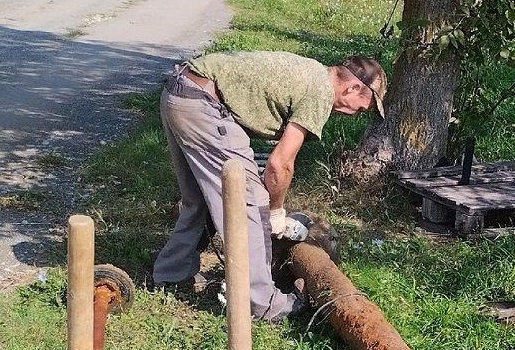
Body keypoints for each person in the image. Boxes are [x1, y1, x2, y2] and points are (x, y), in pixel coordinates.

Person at [152, 51, 387, 321]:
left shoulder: (313, 73)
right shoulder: (321, 93)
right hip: (203, 104)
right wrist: (275, 211)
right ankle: (263, 303)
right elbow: (280, 164)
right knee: (248, 200)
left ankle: (171, 275)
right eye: (361, 107)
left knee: (200, 198)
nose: (355, 114)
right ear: (354, 87)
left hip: (180, 91)